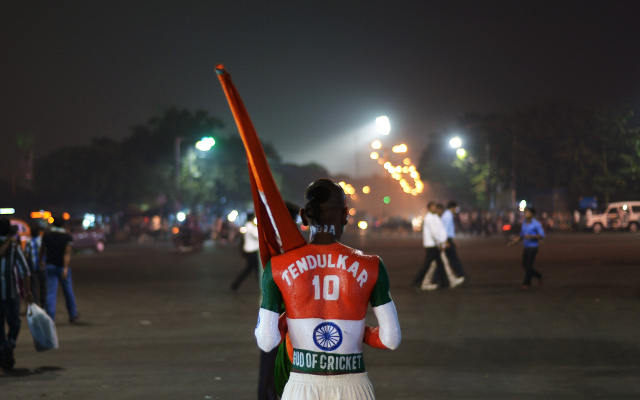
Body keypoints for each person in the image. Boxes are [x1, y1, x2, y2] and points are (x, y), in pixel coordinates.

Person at [255, 179, 401, 399]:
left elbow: (267, 341)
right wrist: (358, 332)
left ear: (304, 216)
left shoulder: (276, 267)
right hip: (353, 386)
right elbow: (391, 339)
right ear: (345, 216)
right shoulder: (372, 265)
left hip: (301, 387)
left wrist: (292, 322)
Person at [0, 218, 33, 371]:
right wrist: (27, 290)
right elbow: (25, 270)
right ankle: (9, 345)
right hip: (11, 292)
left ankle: (4, 351)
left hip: (9, 292)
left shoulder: (13, 245)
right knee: (15, 322)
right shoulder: (13, 245)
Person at [40, 217, 80, 323]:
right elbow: (67, 253)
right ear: (63, 225)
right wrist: (66, 268)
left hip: (50, 265)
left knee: (51, 292)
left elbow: (42, 249)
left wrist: (41, 260)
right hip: (62, 266)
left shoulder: (47, 235)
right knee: (68, 290)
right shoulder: (67, 237)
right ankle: (73, 314)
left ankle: (50, 316)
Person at [412, 201, 450, 290]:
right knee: (428, 265)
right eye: (432, 207)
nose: (434, 208)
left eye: (435, 207)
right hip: (430, 245)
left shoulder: (433, 217)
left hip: (433, 245)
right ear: (429, 208)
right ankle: (416, 282)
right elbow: (434, 232)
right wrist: (442, 242)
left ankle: (445, 282)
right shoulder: (429, 218)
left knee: (439, 264)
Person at [507, 207, 545, 290]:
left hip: (533, 247)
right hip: (526, 247)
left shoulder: (536, 224)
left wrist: (532, 236)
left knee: (528, 265)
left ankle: (526, 283)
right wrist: (512, 243)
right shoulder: (524, 223)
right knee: (525, 265)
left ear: (532, 214)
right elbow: (521, 236)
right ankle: (539, 275)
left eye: (527, 212)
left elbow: (542, 235)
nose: (525, 214)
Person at [231, 212, 260, 292]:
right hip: (251, 251)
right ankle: (261, 286)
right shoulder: (249, 226)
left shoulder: (251, 226)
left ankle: (235, 285)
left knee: (249, 270)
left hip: (252, 251)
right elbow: (257, 235)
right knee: (257, 270)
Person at [441, 201, 467, 281]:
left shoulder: (447, 215)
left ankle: (462, 275)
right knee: (451, 259)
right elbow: (445, 229)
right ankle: (461, 275)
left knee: (450, 258)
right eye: (455, 208)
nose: (456, 210)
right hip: (447, 239)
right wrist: (446, 241)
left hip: (447, 239)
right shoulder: (448, 216)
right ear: (452, 207)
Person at [25, 224, 47, 308]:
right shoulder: (42, 240)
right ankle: (44, 305)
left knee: (33, 287)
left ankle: (36, 304)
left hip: (32, 267)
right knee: (43, 286)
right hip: (42, 266)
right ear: (39, 233)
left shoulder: (28, 242)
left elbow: (26, 255)